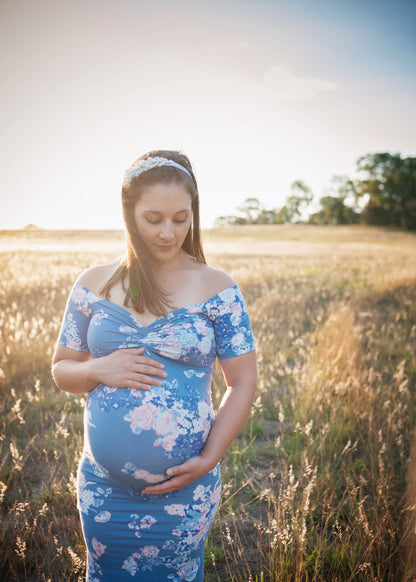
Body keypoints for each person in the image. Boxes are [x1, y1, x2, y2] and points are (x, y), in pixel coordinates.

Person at [52, 150, 257, 581]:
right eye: (154, 218)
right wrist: (96, 370)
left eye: (181, 218)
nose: (169, 232)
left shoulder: (218, 287)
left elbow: (242, 383)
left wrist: (209, 458)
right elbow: (62, 369)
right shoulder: (93, 284)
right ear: (129, 215)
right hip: (103, 489)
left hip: (186, 491)